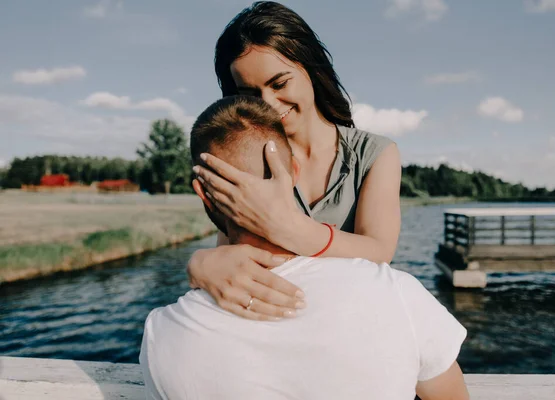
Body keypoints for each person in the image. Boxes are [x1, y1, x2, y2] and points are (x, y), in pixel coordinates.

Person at [139, 95, 469, 400]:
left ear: (201, 192)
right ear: (293, 172)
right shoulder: (399, 297)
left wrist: (198, 262)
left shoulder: (162, 336)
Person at [188, 1, 402, 321]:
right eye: (249, 92)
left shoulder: (377, 154)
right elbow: (230, 250)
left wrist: (285, 226)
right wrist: (199, 264)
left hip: (355, 322)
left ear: (312, 69)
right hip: (278, 327)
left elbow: (379, 253)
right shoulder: (247, 157)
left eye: (279, 83)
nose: (268, 104)